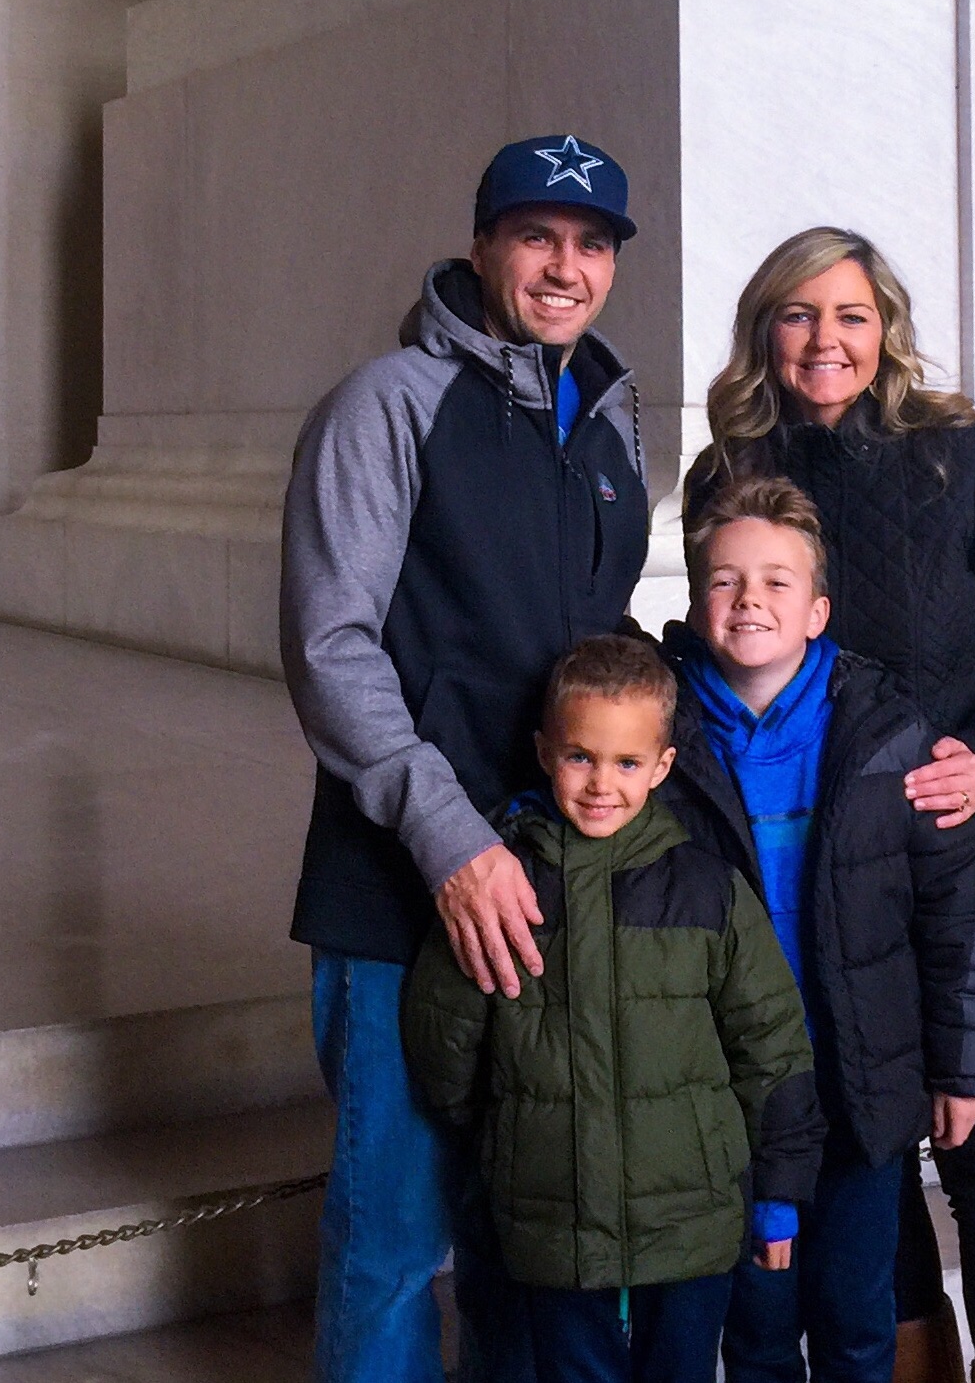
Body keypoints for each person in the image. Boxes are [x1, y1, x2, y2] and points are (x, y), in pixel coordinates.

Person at [685, 232, 975, 1383]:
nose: (825, 339)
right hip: (829, 872)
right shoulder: (727, 475)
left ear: (887, 331)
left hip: (974, 853)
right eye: (799, 313)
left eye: (851, 315)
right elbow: (733, 651)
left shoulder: (966, 458)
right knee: (868, 1141)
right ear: (763, 330)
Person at [281, 133, 652, 1383]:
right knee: (393, 1241)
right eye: (536, 236)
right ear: (484, 245)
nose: (563, 266)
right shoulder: (385, 404)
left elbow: (595, 648)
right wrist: (450, 840)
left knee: (522, 1230)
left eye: (590, 243)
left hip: (550, 887)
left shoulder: (609, 421)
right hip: (403, 887)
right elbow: (331, 649)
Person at [402, 636, 825, 1383]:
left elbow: (773, 1047)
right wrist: (504, 1132)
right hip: (553, 1218)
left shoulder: (708, 890)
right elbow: (445, 1036)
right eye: (580, 757)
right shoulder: (503, 888)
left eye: (627, 763)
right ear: (544, 752)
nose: (602, 784)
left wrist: (780, 1194)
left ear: (662, 766)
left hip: (691, 1218)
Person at [661, 476, 975, 1383]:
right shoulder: (661, 744)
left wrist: (964, 1065)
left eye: (776, 582)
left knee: (858, 1321)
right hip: (728, 1101)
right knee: (757, 1332)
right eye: (726, 581)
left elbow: (958, 911)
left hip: (859, 1090)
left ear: (817, 612)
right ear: (696, 607)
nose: (749, 599)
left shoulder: (888, 733)